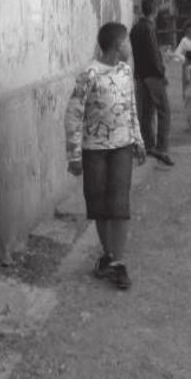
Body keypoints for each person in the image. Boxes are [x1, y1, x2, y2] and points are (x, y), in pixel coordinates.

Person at [64, 22, 146, 290]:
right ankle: (108, 256)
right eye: (127, 43)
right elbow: (73, 115)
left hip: (122, 147)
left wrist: (138, 139)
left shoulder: (125, 71)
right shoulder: (89, 75)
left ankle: (119, 262)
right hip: (95, 150)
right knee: (100, 205)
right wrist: (74, 154)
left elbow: (131, 107)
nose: (130, 47)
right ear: (118, 46)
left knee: (120, 205)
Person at [130, 0, 174, 166]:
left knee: (146, 112)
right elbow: (154, 55)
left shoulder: (135, 28)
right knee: (164, 112)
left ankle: (147, 144)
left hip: (140, 75)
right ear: (154, 11)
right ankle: (161, 147)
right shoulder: (148, 28)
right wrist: (162, 73)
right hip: (152, 76)